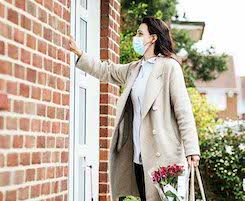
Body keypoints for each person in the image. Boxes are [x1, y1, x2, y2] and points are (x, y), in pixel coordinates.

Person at [69, 16, 200, 201]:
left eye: (140, 33)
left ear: (153, 38)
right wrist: (79, 53)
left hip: (164, 155)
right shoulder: (135, 69)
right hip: (140, 155)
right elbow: (106, 70)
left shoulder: (170, 67)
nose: (136, 37)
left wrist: (192, 149)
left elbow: (183, 110)